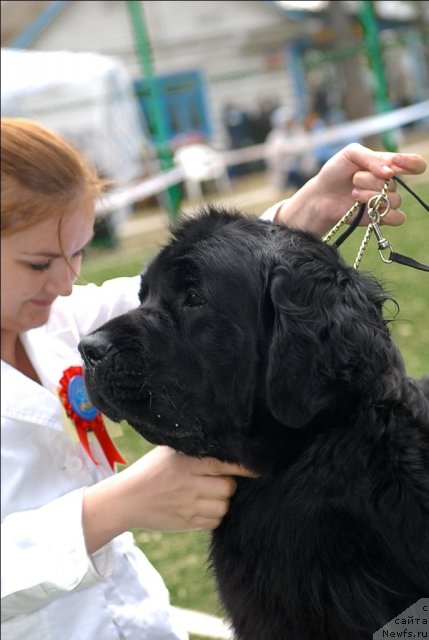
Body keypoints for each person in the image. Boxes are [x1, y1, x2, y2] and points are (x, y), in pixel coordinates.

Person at [1, 118, 426, 640]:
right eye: (41, 261)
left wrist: (302, 213)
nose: (67, 283)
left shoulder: (46, 314)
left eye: (78, 252)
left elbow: (206, 285)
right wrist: (108, 510)